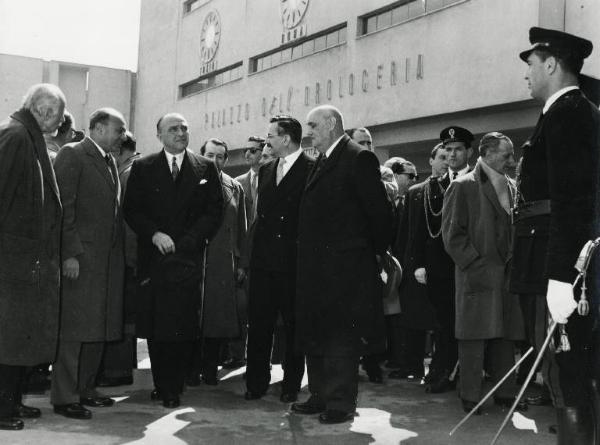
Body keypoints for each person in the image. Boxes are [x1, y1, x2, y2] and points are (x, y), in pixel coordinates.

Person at [510, 27, 600, 443]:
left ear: (551, 64)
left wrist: (563, 276)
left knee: (573, 368)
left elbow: (572, 201)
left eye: (531, 64)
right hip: (560, 259)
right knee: (572, 368)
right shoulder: (561, 112)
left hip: (571, 268)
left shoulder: (569, 113)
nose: (526, 73)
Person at [293, 105, 393, 424]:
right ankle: (320, 394)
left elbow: (380, 215)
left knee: (340, 339)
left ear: (332, 125)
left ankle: (340, 402)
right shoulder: (321, 160)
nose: (308, 132)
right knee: (317, 333)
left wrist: (370, 255)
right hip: (317, 269)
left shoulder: (357, 157)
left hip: (346, 270)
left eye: (313, 126)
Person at [124, 113, 223, 408]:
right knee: (156, 327)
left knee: (181, 326)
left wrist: (191, 240)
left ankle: (173, 385)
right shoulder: (143, 167)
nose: (180, 133)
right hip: (155, 260)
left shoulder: (204, 167)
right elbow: (132, 209)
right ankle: (162, 382)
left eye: (184, 128)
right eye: (173, 129)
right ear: (159, 135)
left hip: (187, 260)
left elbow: (213, 211)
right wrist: (154, 234)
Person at [51, 108, 127, 420]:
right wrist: (69, 253)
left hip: (105, 262)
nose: (121, 136)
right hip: (81, 260)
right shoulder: (73, 154)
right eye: (117, 130)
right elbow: (63, 208)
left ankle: (85, 388)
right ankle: (65, 396)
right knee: (73, 331)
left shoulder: (109, 160)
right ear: (96, 128)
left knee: (98, 327)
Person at [442, 132, 526, 415]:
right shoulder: (464, 187)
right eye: (507, 155)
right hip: (477, 275)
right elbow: (452, 236)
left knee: (505, 336)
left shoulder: (513, 186)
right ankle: (471, 395)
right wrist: (476, 266)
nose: (512, 161)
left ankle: (504, 392)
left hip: (506, 276)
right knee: (473, 339)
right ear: (487, 154)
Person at [0, 84, 65, 431]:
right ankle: (2, 408)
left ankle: (11, 402)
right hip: (12, 263)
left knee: (18, 339)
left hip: (23, 262)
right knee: (8, 339)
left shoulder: (25, 136)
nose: (59, 122)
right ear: (42, 111)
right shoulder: (15, 138)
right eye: (56, 115)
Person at [244, 115, 313, 402]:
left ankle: (291, 385)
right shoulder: (266, 168)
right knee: (259, 325)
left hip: (294, 264)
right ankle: (256, 383)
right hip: (264, 264)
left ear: (285, 138)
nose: (266, 140)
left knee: (294, 328)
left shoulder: (313, 168)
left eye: (271, 135)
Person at [187, 138, 247, 386]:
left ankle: (210, 368)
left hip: (222, 261)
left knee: (216, 318)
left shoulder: (234, 187)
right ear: (201, 156)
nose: (214, 160)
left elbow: (241, 228)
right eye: (209, 155)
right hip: (195, 257)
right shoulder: (190, 183)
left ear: (226, 159)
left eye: (220, 156)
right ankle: (191, 370)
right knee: (193, 316)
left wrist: (241, 261)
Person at [97, 131, 140, 387]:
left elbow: (127, 221)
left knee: (122, 316)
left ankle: (117, 370)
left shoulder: (127, 173)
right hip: (132, 256)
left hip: (127, 256)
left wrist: (128, 259)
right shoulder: (135, 169)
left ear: (118, 151)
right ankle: (121, 367)